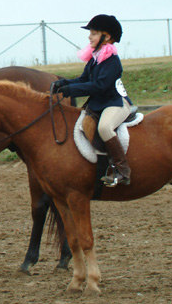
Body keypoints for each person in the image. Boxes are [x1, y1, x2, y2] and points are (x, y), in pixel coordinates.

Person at [52, 14, 133, 186]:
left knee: (105, 127)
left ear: (107, 36)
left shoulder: (112, 61)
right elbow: (84, 80)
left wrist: (70, 91)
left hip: (116, 103)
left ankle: (122, 170)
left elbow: (99, 86)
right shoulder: (95, 59)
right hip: (101, 103)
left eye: (94, 33)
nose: (90, 36)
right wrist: (64, 83)